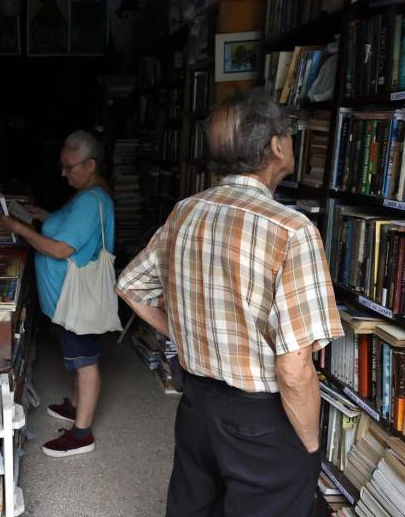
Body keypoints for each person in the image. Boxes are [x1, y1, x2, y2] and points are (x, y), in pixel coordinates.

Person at [116, 89, 343, 517]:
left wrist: (185, 331)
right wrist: (310, 447)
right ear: (276, 145)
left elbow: (130, 287)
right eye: (289, 134)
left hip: (197, 405)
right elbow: (294, 367)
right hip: (260, 418)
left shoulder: (185, 211)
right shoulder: (291, 230)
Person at [1, 130, 115, 458]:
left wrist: (20, 229)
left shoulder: (92, 199)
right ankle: (77, 407)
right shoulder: (87, 193)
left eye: (69, 166)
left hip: (79, 299)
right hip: (69, 299)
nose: (63, 173)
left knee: (86, 362)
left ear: (90, 164)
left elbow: (63, 248)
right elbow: (70, 227)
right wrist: (42, 216)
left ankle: (82, 434)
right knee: (80, 358)